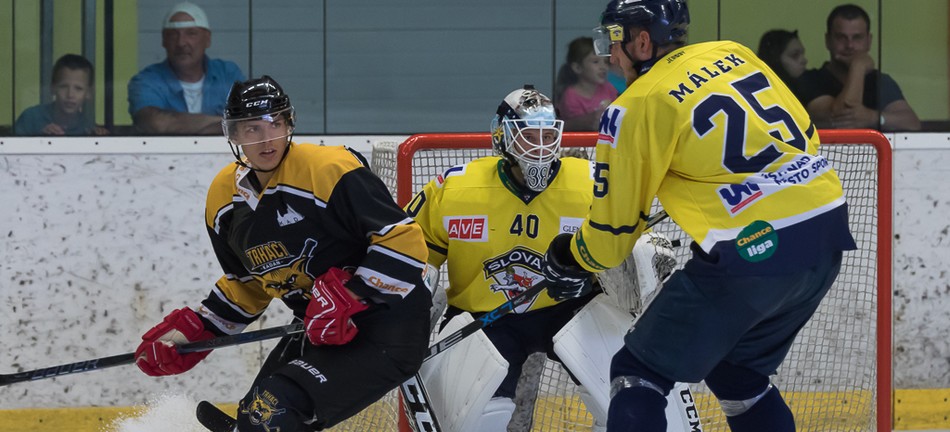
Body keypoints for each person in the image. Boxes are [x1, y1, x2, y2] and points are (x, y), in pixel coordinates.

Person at [539, 1, 857, 432]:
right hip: (826, 233)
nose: (610, 56)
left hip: (753, 251)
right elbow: (806, 136)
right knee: (738, 376)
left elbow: (610, 239)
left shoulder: (634, 106)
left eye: (613, 42)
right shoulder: (734, 53)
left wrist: (569, 255)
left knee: (637, 372)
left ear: (642, 40)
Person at [133, 75, 433, 431]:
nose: (266, 139)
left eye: (276, 124)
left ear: (290, 124)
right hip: (317, 329)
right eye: (252, 128)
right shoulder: (223, 200)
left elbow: (405, 242)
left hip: (387, 326)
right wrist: (191, 334)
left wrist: (351, 295)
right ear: (234, 134)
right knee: (253, 417)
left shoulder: (328, 169)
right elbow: (247, 286)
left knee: (270, 411)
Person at [405, 86, 688, 432]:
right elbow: (410, 254)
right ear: (502, 137)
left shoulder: (588, 182)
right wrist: (409, 318)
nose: (539, 147)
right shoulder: (455, 189)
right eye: (527, 137)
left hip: (572, 308)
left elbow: (627, 244)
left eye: (547, 135)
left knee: (623, 401)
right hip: (486, 316)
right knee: (477, 422)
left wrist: (637, 262)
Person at [127, 1, 245, 134]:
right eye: (173, 34)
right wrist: (227, 123)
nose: (181, 42)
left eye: (191, 33)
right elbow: (155, 123)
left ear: (207, 39)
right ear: (163, 40)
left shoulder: (227, 74)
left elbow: (248, 122)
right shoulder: (147, 80)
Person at [797, 4, 920, 131]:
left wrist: (873, 117)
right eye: (841, 37)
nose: (850, 45)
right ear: (828, 40)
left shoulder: (880, 81)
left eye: (857, 38)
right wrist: (858, 67)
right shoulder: (809, 80)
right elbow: (842, 119)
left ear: (869, 41)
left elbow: (912, 123)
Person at [14, 54, 108, 136]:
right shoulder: (30, 119)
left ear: (88, 93)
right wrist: (40, 139)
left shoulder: (88, 128)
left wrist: (100, 139)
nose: (70, 95)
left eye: (78, 89)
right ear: (52, 88)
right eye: (63, 87)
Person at [555, 37, 619, 131]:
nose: (603, 67)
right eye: (595, 62)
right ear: (577, 68)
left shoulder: (609, 88)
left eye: (605, 62)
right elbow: (574, 129)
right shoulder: (571, 96)